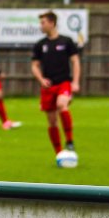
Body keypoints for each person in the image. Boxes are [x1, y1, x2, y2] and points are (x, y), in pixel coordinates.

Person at [31, 12, 81, 154]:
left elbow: (75, 61)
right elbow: (34, 65)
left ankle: (70, 140)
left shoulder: (66, 41)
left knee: (62, 105)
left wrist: (75, 82)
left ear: (52, 23)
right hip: (48, 86)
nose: (41, 25)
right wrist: (41, 79)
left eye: (43, 22)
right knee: (52, 121)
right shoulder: (40, 45)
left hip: (64, 83)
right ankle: (59, 153)